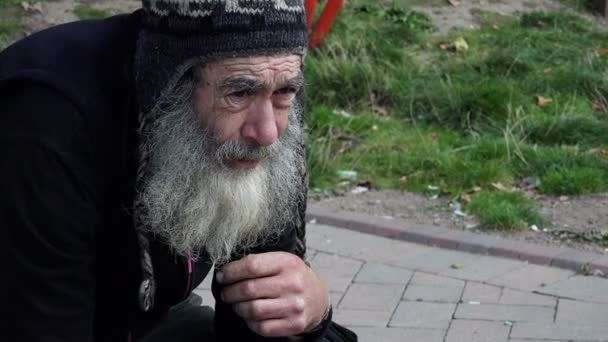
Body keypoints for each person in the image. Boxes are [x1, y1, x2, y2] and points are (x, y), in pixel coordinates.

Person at [0, 1, 346, 341]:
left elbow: (258, 319)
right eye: (240, 92)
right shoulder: (46, 125)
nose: (267, 132)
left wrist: (313, 313)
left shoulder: (264, 124)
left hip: (139, 318)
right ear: (170, 82)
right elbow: (43, 325)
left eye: (285, 91)